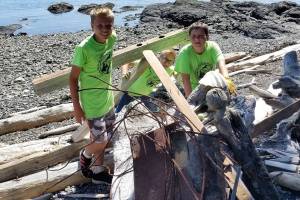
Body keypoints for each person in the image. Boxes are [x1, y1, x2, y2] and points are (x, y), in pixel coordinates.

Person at [69, 6, 116, 184]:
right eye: (100, 25)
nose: (105, 29)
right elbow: (72, 79)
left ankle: (97, 171)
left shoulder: (112, 38)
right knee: (100, 140)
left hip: (107, 98)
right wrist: (77, 108)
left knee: (105, 137)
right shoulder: (83, 49)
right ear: (92, 26)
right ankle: (86, 154)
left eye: (109, 25)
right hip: (92, 104)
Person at [175, 21, 236, 100]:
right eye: (193, 36)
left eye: (200, 36)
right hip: (192, 83)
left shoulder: (212, 46)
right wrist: (190, 100)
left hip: (208, 80)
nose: (197, 39)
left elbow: (221, 63)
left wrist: (226, 79)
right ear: (189, 37)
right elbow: (185, 79)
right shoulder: (185, 53)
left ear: (207, 37)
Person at [115, 49, 176, 115]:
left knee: (154, 111)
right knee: (118, 110)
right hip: (130, 92)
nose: (166, 62)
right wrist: (125, 73)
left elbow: (179, 75)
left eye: (169, 61)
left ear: (172, 62)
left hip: (146, 94)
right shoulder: (148, 63)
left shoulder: (170, 70)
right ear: (159, 57)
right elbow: (127, 62)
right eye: (164, 58)